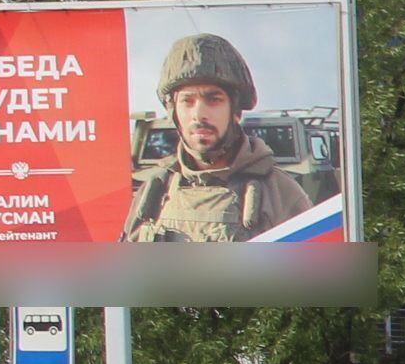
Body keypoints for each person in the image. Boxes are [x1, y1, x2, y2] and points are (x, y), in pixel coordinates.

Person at [124, 32, 314, 242]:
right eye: (187, 101)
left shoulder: (280, 194)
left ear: (235, 110)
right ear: (173, 111)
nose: (199, 114)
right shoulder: (154, 190)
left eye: (213, 100)